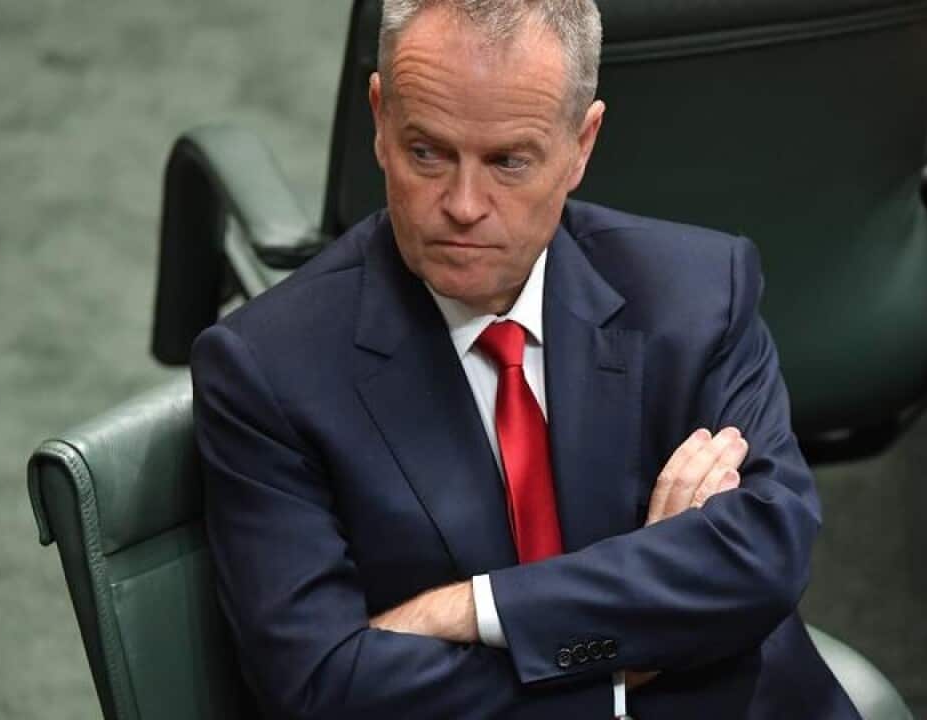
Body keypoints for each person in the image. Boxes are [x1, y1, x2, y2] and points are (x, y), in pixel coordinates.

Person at [191, 1, 860, 717]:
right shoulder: (267, 369)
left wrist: (473, 610)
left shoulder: (700, 292)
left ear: (582, 144)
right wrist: (635, 639)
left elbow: (763, 557)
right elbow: (324, 687)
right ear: (380, 121)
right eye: (428, 153)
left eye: (508, 161)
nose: (463, 205)